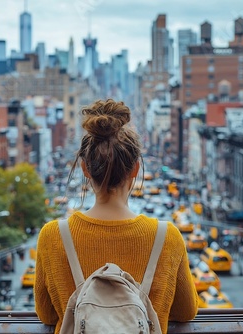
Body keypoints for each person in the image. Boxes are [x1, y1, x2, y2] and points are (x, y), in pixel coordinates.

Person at [35, 99, 198, 334]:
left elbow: (47, 315)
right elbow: (186, 312)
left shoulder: (52, 235)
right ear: (135, 170)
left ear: (85, 169)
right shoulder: (167, 237)